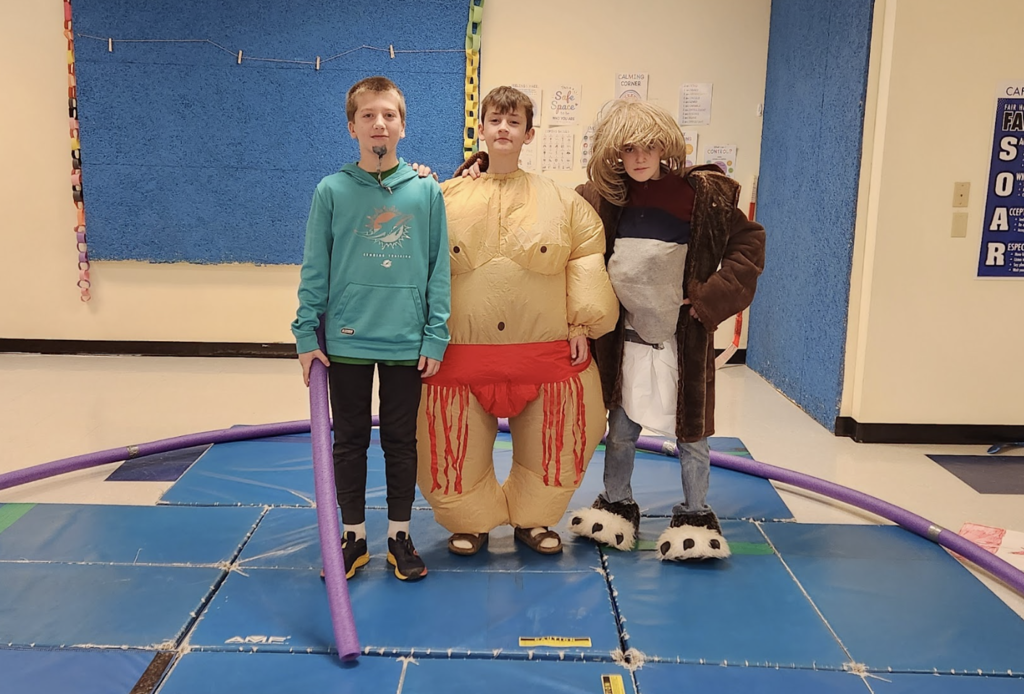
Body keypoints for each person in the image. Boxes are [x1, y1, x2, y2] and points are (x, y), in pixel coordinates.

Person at [417, 86, 618, 556]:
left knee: (561, 442)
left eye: (514, 122)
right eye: (495, 120)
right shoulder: (440, 200)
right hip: (458, 358)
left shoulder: (563, 203)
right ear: (481, 129)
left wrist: (581, 325)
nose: (503, 128)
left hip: (545, 356)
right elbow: (416, 270)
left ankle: (535, 520)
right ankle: (470, 520)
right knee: (446, 451)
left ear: (529, 134)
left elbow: (585, 259)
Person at [567, 100, 766, 560]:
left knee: (691, 434)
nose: (639, 158)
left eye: (649, 148)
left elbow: (749, 241)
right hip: (626, 337)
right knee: (620, 429)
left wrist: (707, 296)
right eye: (629, 148)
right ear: (616, 153)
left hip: (682, 337)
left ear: (666, 150)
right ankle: (617, 503)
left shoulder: (701, 196)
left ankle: (695, 513)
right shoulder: (604, 199)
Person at [292, 76, 451, 582]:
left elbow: (437, 269)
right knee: (350, 440)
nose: (378, 123)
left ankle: (399, 536)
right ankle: (354, 535)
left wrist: (436, 333)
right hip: (347, 340)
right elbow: (315, 269)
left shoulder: (426, 191)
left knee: (402, 442)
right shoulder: (331, 190)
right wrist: (304, 336)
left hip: (407, 340)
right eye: (368, 115)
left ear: (402, 125)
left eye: (388, 114)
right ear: (352, 126)